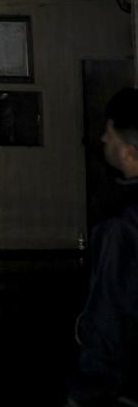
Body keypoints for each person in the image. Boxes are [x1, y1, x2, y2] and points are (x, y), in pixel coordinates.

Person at [68, 87, 138, 406]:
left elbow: (109, 313)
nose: (103, 139)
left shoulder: (121, 224)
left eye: (110, 133)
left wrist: (86, 390)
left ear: (128, 150)